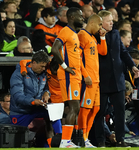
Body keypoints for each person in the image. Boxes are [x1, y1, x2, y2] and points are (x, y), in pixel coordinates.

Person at [94, 10, 139, 147]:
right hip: (101, 80)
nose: (112, 23)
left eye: (112, 20)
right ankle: (100, 141)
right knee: (100, 112)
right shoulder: (94, 36)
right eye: (109, 21)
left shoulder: (115, 33)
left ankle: (120, 139)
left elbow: (123, 52)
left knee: (120, 112)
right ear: (101, 22)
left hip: (117, 79)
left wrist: (132, 66)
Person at [10, 51, 61, 148]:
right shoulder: (18, 74)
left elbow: (46, 86)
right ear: (33, 63)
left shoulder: (42, 73)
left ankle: (59, 143)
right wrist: (33, 101)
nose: (43, 69)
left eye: (44, 66)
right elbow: (17, 96)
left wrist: (47, 93)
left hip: (38, 107)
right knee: (16, 139)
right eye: (41, 66)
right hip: (21, 110)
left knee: (55, 115)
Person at [51, 7, 85, 148]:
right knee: (74, 107)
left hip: (75, 76)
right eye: (80, 16)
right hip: (68, 75)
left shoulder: (74, 33)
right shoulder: (65, 31)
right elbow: (54, 49)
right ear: (71, 17)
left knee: (72, 108)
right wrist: (65, 67)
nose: (83, 19)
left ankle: (66, 140)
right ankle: (65, 142)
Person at [77, 14, 107, 148]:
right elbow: (77, 57)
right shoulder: (82, 35)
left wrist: (102, 37)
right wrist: (85, 75)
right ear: (93, 22)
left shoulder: (92, 37)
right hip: (88, 79)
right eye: (100, 24)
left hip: (96, 80)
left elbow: (103, 51)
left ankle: (86, 137)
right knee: (85, 109)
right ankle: (81, 138)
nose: (101, 27)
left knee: (95, 109)